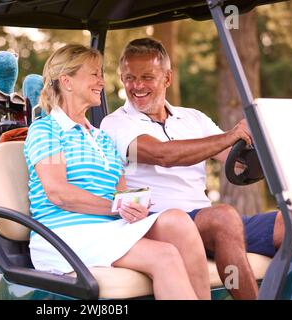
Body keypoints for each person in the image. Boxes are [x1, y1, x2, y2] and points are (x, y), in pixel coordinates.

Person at [100, 37, 289, 300]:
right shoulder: (115, 124)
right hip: (159, 223)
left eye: (147, 77)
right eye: (130, 78)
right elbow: (163, 155)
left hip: (207, 222)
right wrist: (232, 135)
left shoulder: (193, 118)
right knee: (223, 216)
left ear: (167, 78)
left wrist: (265, 142)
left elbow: (236, 161)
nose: (137, 86)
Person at [24, 44, 211, 300]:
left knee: (178, 220)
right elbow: (59, 193)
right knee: (165, 255)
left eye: (101, 74)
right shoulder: (47, 130)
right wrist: (115, 207)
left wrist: (135, 205)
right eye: (94, 74)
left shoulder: (100, 137)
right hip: (65, 235)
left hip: (108, 230)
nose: (102, 81)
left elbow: (121, 192)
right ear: (67, 81)